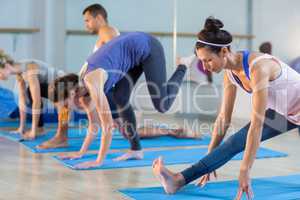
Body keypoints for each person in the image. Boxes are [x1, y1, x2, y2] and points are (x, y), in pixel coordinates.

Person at [152, 17, 300, 199]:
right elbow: (223, 119)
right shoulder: (230, 73)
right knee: (235, 142)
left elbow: (257, 125)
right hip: (285, 113)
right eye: (202, 62)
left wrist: (245, 169)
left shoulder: (258, 68)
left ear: (223, 51)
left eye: (208, 61)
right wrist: (209, 162)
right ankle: (178, 180)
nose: (205, 67)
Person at [50, 31, 188, 169]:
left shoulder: (92, 82)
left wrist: (98, 161)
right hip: (132, 52)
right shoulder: (82, 93)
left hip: (148, 45)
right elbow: (93, 125)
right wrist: (80, 152)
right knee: (120, 98)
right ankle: (136, 150)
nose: (67, 109)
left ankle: (183, 66)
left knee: (162, 105)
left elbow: (107, 126)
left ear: (73, 93)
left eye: (66, 105)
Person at [0, 50, 64, 140]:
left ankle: (61, 132)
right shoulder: (19, 71)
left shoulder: (30, 69)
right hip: (50, 86)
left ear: (6, 66)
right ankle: (40, 128)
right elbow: (22, 101)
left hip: (63, 86)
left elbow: (36, 102)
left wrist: (33, 131)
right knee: (29, 93)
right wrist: (21, 128)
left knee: (33, 93)